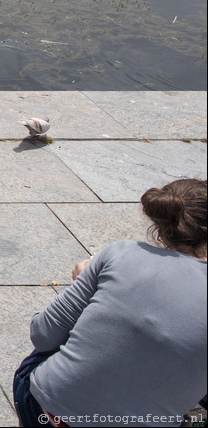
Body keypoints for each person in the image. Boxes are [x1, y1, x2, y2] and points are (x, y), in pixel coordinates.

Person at [12, 178, 207, 427]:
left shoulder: (121, 253)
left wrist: (86, 287)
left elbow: (42, 335)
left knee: (45, 355)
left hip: (49, 412)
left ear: (159, 229)